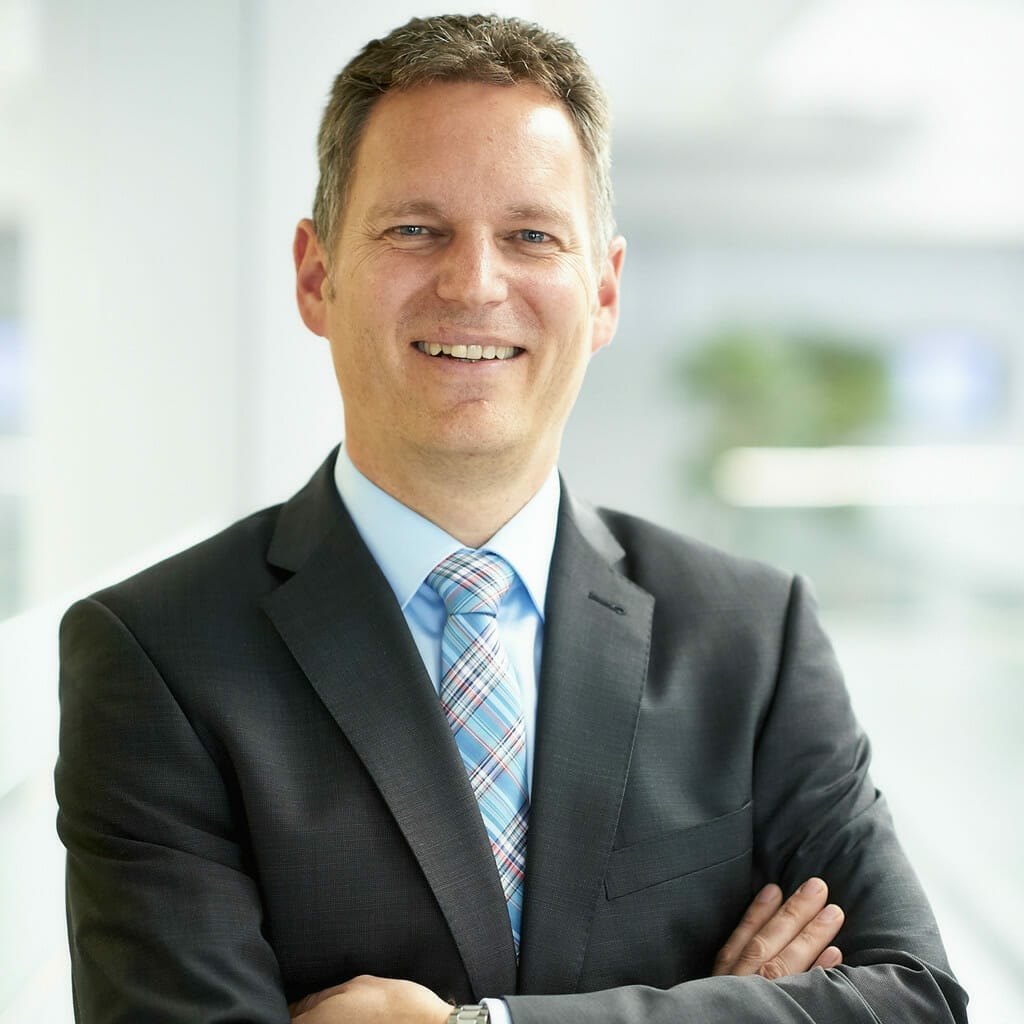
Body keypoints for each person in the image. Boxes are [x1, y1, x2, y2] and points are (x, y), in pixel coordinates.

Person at [55, 13, 968, 1024]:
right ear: (317, 277)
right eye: (414, 229)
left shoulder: (751, 637)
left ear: (605, 288)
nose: (473, 283)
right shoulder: (156, 655)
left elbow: (915, 1002)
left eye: (531, 235)